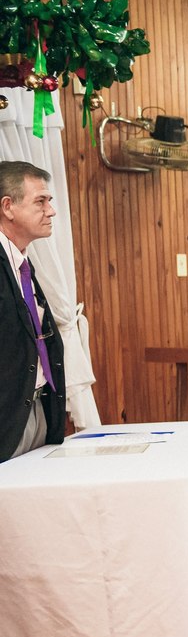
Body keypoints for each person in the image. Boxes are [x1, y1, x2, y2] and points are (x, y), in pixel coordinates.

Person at [1, 161, 66, 464]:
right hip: (8, 418)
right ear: (8, 207)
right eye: (40, 201)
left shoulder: (23, 264)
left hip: (39, 409)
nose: (50, 211)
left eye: (49, 201)